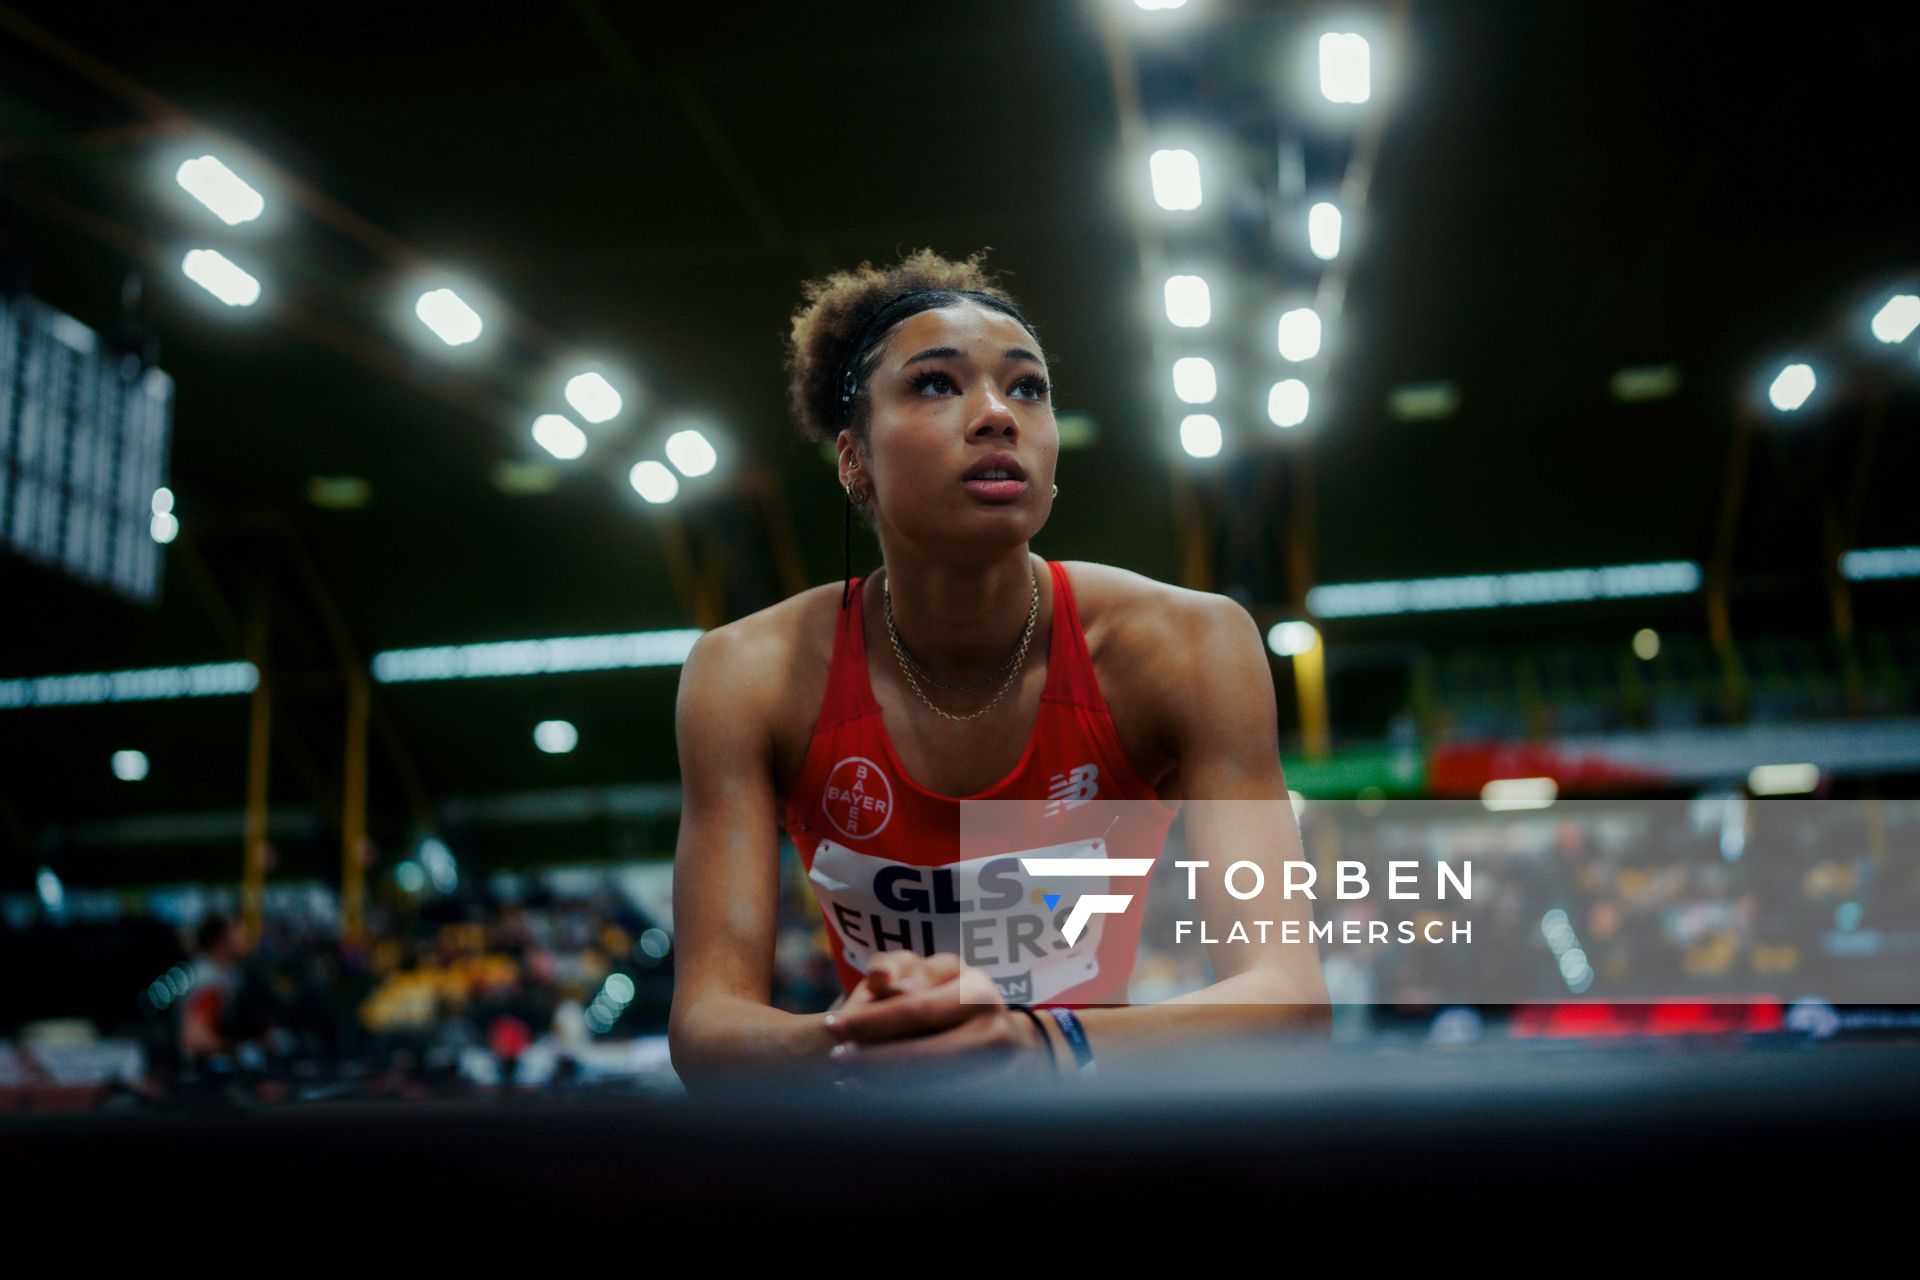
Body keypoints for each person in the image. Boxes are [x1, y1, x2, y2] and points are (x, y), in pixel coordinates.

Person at [669, 248, 1328, 1092]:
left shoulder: (1187, 644)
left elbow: (1290, 1000)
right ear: (852, 457)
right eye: (936, 385)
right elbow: (707, 1025)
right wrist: (872, 1038)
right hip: (885, 1133)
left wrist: (1032, 1043)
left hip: (1088, 1113)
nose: (996, 415)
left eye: (1028, 387)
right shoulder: (746, 674)